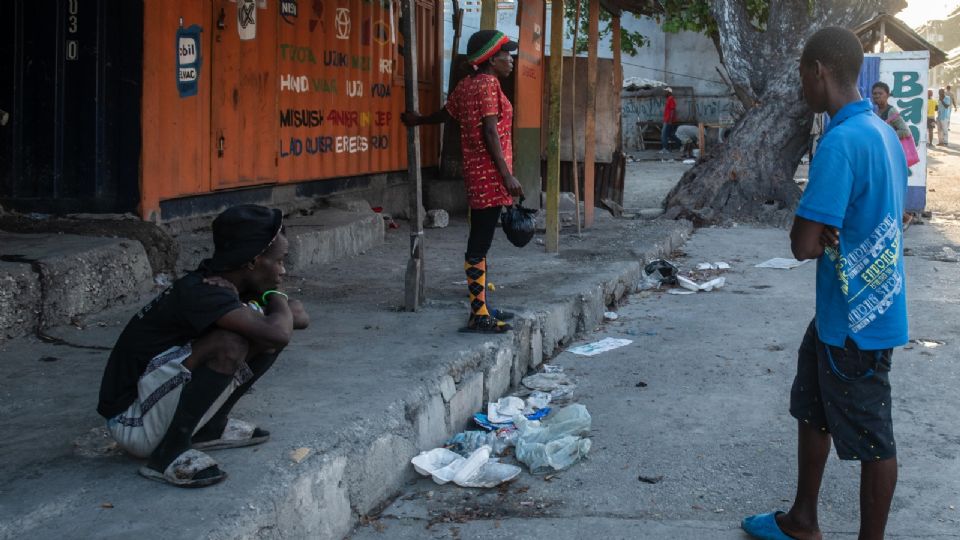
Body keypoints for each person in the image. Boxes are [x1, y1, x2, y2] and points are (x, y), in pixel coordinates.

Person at [742, 27, 908, 540]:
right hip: (858, 309)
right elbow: (878, 216)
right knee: (811, 406)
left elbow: (802, 244)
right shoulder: (883, 132)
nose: (801, 87)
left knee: (875, 441)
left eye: (802, 76)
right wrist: (829, 232)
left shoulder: (839, 142)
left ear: (818, 72)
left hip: (855, 323)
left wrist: (820, 232)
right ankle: (802, 519)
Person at [97, 204, 310, 487]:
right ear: (252, 261)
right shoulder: (204, 292)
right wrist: (274, 294)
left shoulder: (232, 284)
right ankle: (166, 455)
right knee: (230, 344)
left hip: (153, 407)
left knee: (263, 335)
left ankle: (211, 428)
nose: (283, 270)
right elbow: (280, 331)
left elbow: (298, 317)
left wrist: (273, 301)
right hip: (132, 421)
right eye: (280, 261)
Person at [402, 30, 522, 333]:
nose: (511, 60)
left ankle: (482, 307)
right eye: (507, 54)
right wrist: (507, 175)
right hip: (490, 176)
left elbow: (446, 113)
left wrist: (419, 120)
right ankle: (479, 314)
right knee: (478, 245)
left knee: (480, 242)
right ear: (492, 58)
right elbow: (490, 132)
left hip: (478, 173)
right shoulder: (487, 84)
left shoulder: (466, 85)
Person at [659, 87, 682, 153]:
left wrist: (670, 120)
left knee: (664, 135)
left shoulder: (671, 99)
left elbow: (672, 110)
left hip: (668, 121)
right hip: (668, 120)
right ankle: (681, 144)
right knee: (671, 135)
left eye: (665, 91)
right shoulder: (669, 99)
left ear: (669, 92)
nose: (664, 93)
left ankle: (665, 149)